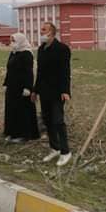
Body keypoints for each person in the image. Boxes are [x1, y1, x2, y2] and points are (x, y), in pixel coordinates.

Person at [32, 22, 72, 166]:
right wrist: (35, 90)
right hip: (44, 91)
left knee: (58, 121)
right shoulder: (41, 49)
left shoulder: (62, 49)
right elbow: (40, 72)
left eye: (44, 30)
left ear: (52, 33)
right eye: (41, 29)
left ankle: (65, 151)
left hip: (57, 92)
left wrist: (65, 91)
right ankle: (54, 148)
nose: (41, 32)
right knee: (48, 120)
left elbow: (65, 71)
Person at [3, 33, 39, 143]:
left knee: (22, 111)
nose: (12, 43)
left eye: (14, 41)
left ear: (20, 41)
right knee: (11, 110)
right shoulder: (13, 53)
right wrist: (5, 83)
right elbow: (9, 69)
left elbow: (29, 72)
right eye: (11, 40)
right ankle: (12, 132)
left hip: (22, 88)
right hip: (12, 87)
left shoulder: (27, 54)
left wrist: (28, 88)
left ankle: (24, 135)